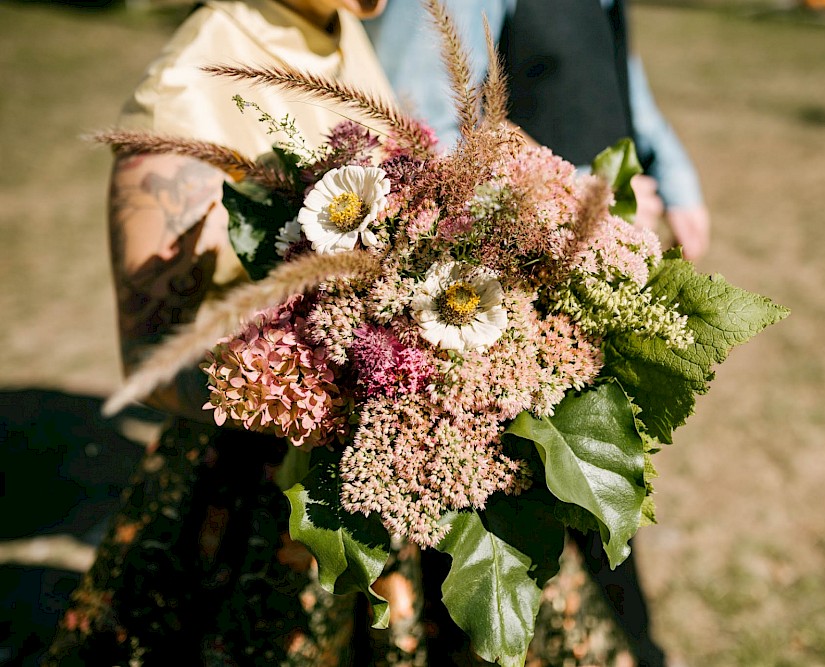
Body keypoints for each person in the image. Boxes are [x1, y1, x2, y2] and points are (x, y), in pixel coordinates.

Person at [46, 0, 660, 665]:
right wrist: (333, 385)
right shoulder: (187, 90)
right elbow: (149, 358)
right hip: (265, 507)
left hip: (416, 473)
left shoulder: (339, 34)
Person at [367, 3, 698, 665]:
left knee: (603, 503)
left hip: (595, 284)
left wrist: (678, 180)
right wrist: (570, 200)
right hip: (507, 299)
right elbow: (417, 133)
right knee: (539, 517)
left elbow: (618, 77)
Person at [365, 0, 710, 262]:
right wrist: (580, 199)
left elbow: (613, 65)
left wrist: (672, 170)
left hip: (606, 247)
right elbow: (423, 124)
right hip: (517, 265)